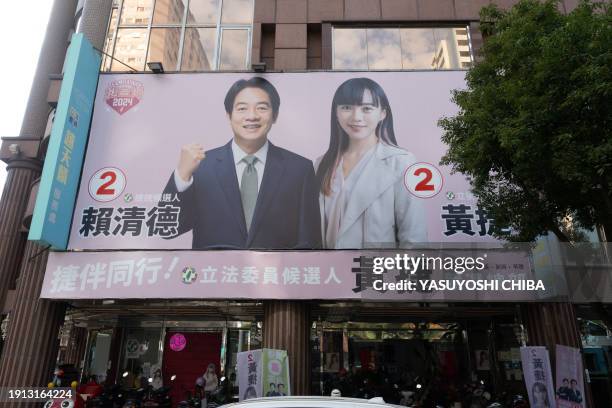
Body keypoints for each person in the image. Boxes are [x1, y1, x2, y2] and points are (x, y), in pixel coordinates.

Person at [162, 77, 321, 250]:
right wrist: (182, 176)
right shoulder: (201, 167)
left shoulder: (299, 169)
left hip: (274, 275)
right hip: (214, 275)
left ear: (274, 115)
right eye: (242, 108)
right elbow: (167, 228)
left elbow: (310, 243)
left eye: (261, 108)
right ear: (229, 116)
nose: (252, 116)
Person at [315, 77, 426, 249]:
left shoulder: (402, 162)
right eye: (346, 108)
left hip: (377, 273)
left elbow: (414, 238)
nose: (356, 117)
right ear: (336, 113)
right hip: (330, 273)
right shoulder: (321, 164)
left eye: (367, 108)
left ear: (383, 113)